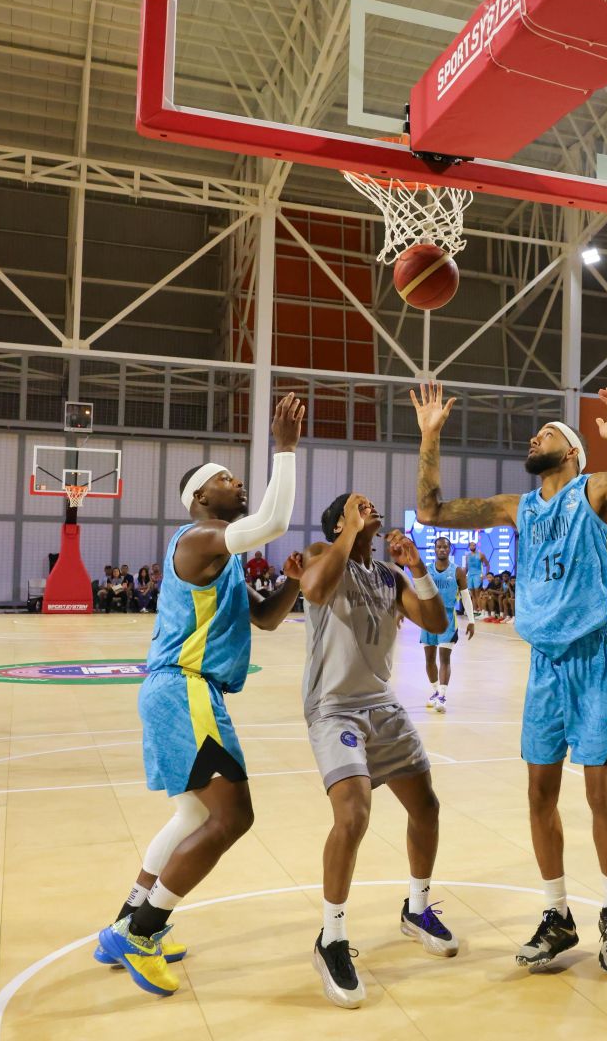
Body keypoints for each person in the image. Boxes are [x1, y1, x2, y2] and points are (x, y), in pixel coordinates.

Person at [413, 382, 607, 976]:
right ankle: (557, 915)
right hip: (545, 664)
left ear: (571, 453)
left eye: (549, 433)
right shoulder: (519, 507)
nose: (535, 435)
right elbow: (431, 513)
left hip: (597, 656)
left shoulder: (596, 489)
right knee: (540, 793)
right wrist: (430, 435)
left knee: (598, 791)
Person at [96, 393, 304, 998]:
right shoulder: (198, 538)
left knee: (192, 815)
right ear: (202, 497)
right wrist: (285, 450)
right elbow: (270, 522)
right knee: (233, 816)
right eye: (228, 479)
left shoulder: (224, 558)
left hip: (179, 690)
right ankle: (142, 931)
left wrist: (291, 581)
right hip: (185, 690)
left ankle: (123, 920)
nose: (239, 483)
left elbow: (265, 620)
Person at [297, 493, 456, 1009]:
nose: (373, 509)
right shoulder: (324, 554)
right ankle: (332, 938)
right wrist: (347, 530)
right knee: (353, 815)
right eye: (359, 506)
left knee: (426, 806)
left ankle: (417, 908)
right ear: (342, 520)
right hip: (335, 709)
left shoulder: (389, 576)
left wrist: (416, 568)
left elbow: (434, 622)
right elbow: (315, 588)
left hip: (382, 706)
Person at [419, 536, 475, 714]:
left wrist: (472, 620)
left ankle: (442, 695)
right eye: (439, 547)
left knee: (444, 658)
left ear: (449, 550)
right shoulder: (427, 570)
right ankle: (435, 691)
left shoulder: (457, 571)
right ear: (434, 550)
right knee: (429, 659)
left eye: (445, 547)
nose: (442, 549)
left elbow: (465, 596)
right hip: (428, 618)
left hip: (447, 619)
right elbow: (419, 593)